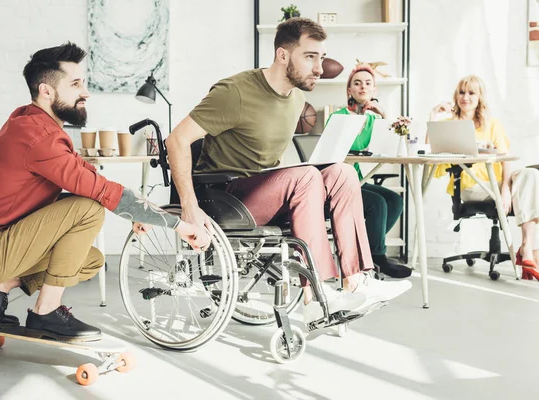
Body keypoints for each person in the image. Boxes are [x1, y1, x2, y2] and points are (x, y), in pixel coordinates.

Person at [0, 42, 210, 341]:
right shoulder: (40, 136)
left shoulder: (32, 122)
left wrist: (140, 213)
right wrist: (177, 224)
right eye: (75, 84)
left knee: (90, 260)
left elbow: (86, 177)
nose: (85, 92)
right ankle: (45, 312)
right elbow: (99, 191)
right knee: (88, 209)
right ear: (46, 91)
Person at [164, 18, 411, 325]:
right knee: (306, 176)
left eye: (321, 57)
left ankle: (355, 281)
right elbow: (176, 140)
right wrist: (188, 205)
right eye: (310, 56)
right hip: (223, 196)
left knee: (343, 173)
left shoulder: (296, 99)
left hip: (262, 195)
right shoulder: (236, 91)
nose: (320, 68)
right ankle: (316, 294)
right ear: (282, 55)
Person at [430, 75, 539, 280]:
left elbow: (506, 160)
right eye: (462, 92)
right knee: (529, 189)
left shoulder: (493, 124)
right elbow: (431, 152)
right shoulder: (449, 124)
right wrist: (433, 115)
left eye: (471, 93)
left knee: (531, 175)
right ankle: (529, 253)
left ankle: (526, 246)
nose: (465, 97)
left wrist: (506, 190)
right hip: (470, 185)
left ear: (480, 97)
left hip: (496, 183)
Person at [328, 63, 411, 279]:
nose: (363, 87)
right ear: (349, 91)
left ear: (374, 91)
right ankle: (378, 258)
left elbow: (389, 147)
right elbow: (331, 153)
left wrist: (384, 116)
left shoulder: (375, 119)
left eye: (368, 83)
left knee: (394, 200)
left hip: (357, 179)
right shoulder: (338, 117)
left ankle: (368, 251)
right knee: (377, 203)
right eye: (357, 83)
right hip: (339, 182)